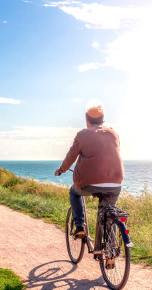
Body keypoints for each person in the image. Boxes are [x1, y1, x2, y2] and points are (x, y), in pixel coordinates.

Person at [55, 100, 124, 238]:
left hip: (90, 183)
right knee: (108, 214)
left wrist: (61, 169)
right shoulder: (114, 133)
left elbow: (71, 157)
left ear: (87, 120)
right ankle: (109, 252)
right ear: (102, 120)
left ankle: (80, 225)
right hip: (116, 183)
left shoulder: (82, 135)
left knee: (74, 192)